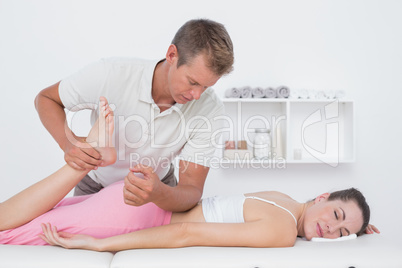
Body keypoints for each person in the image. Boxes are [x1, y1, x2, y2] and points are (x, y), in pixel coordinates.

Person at [0, 98, 377, 249]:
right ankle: (84, 155)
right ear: (324, 197)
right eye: (338, 217)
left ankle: (90, 154)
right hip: (141, 214)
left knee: (29, 215)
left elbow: (321, 220)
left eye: (342, 233)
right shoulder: (280, 230)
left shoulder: (285, 201)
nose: (332, 228)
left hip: (133, 202)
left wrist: (359, 229)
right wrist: (98, 245)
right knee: (8, 231)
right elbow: (186, 232)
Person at [34, 18, 234, 212]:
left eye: (206, 87)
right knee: (80, 243)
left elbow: (191, 190)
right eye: (193, 82)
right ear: (172, 55)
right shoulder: (111, 74)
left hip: (160, 191)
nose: (197, 95)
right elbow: (46, 99)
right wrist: (68, 143)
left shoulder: (209, 108)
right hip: (94, 186)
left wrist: (159, 193)